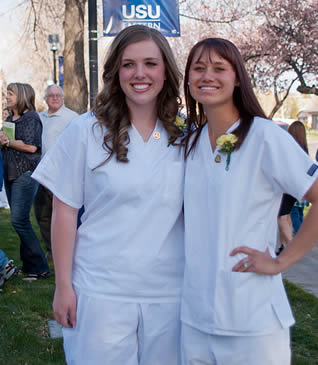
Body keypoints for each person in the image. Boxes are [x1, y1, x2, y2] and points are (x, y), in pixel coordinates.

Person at [32, 25, 185, 365]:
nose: (139, 73)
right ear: (115, 71)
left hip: (170, 296)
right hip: (100, 293)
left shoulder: (185, 137)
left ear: (166, 72)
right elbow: (64, 212)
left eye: (150, 63)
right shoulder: (85, 130)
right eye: (129, 64)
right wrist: (63, 286)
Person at [181, 38, 318, 365]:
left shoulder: (264, 136)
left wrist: (282, 261)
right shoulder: (191, 143)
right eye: (198, 68)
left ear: (237, 77)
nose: (207, 76)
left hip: (252, 322)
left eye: (218, 68)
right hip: (194, 322)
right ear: (188, 79)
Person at [0, 83, 50, 281]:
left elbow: (31, 147)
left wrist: (7, 142)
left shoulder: (31, 118)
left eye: (11, 93)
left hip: (25, 173)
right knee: (21, 221)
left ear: (20, 95)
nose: (7, 96)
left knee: (18, 221)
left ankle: (40, 268)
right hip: (10, 174)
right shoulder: (10, 118)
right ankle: (29, 266)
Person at [34, 85, 78, 261]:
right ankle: (52, 249)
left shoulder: (72, 117)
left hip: (61, 174)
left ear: (63, 97)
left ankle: (69, 249)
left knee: (62, 215)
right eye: (50, 95)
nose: (54, 98)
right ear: (45, 98)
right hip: (40, 173)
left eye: (58, 95)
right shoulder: (40, 117)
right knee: (42, 214)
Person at [277, 121, 310, 253]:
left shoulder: (290, 148)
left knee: (281, 217)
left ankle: (293, 247)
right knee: (287, 217)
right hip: (297, 188)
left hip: (288, 188)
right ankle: (282, 245)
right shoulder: (304, 150)